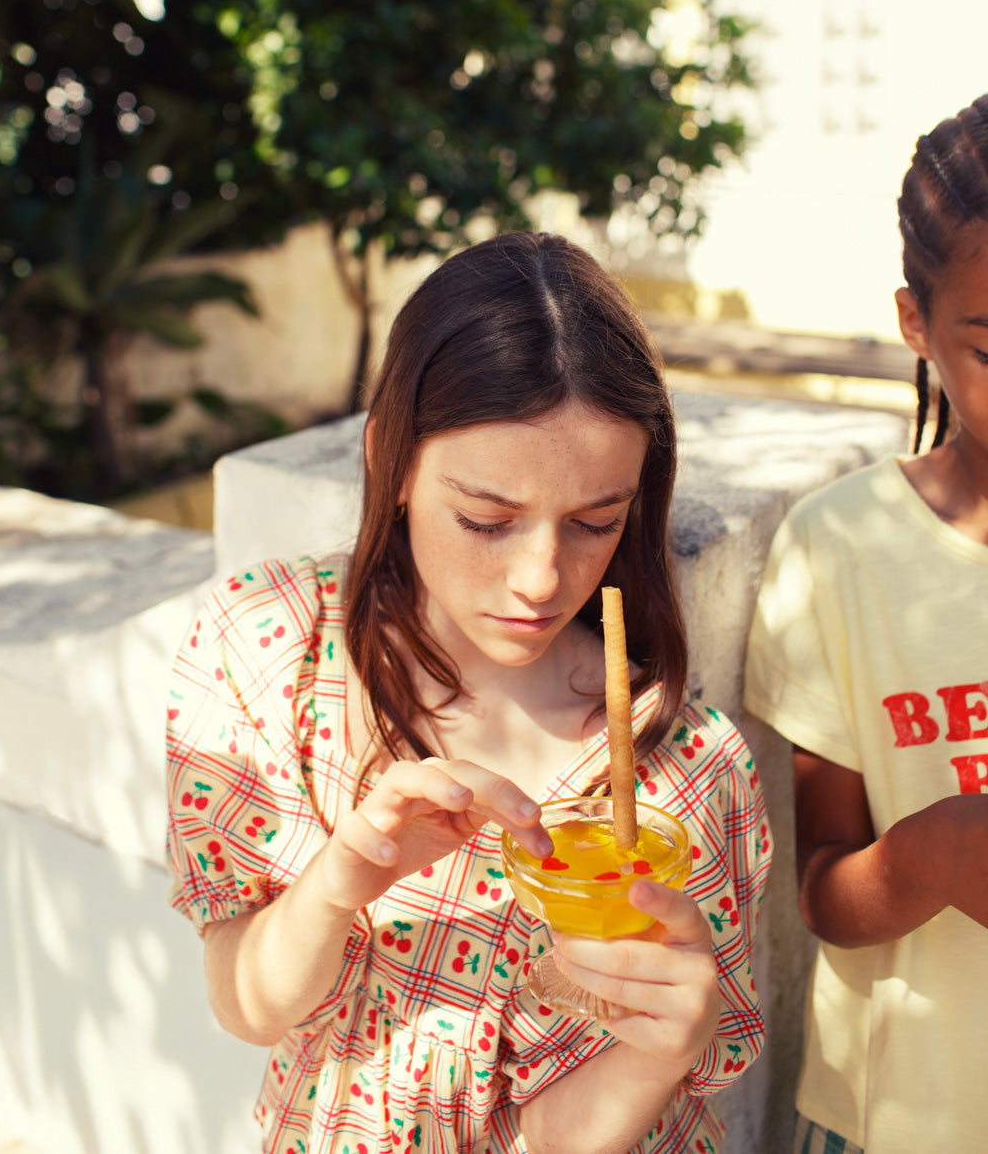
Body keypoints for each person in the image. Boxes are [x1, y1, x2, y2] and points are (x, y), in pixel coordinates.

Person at [167, 230, 771, 1154]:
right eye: (487, 519)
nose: (540, 577)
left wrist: (657, 1055)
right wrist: (339, 883)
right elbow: (246, 1006)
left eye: (594, 522)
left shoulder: (690, 773)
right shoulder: (272, 650)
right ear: (390, 464)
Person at [744, 94, 988, 1154]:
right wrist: (928, 859)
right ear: (915, 324)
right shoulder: (836, 552)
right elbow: (823, 891)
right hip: (899, 1120)